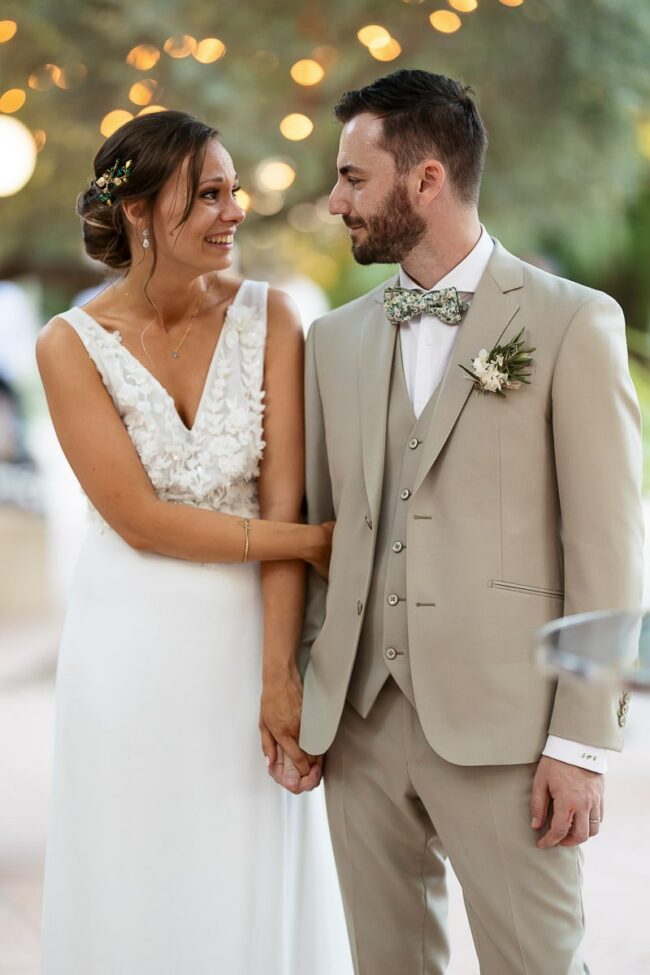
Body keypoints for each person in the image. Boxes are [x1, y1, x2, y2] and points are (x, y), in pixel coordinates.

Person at [261, 71, 644, 974]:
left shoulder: (572, 324)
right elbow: (327, 532)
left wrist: (582, 742)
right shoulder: (336, 341)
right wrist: (316, 697)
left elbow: (610, 549)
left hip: (511, 730)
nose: (335, 200)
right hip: (360, 725)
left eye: (355, 179)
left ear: (426, 181)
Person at [37, 110, 352, 974]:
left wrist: (280, 672)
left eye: (232, 189)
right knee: (132, 869)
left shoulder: (274, 317)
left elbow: (285, 491)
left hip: (246, 640)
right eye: (207, 194)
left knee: (247, 867)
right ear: (139, 211)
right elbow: (138, 517)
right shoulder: (66, 345)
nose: (233, 210)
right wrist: (310, 538)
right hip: (126, 644)